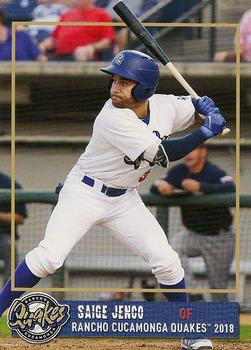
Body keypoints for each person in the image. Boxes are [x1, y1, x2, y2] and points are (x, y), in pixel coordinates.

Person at [0, 50, 227, 349]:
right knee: (50, 257)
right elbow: (165, 154)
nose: (115, 87)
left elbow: (191, 107)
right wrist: (206, 131)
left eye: (125, 82)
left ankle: (188, 331)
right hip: (84, 192)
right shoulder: (112, 117)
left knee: (168, 262)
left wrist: (204, 107)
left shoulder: (165, 106)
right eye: (115, 80)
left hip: (124, 199)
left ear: (145, 88)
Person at [153, 145, 235, 302]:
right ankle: (194, 294)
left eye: (193, 150)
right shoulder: (179, 172)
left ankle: (220, 321)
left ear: (203, 152)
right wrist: (160, 186)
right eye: (187, 150)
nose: (188, 154)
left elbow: (230, 188)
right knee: (172, 250)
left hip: (219, 237)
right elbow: (156, 186)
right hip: (191, 233)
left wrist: (200, 187)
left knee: (218, 288)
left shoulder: (213, 172)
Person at [39, 0, 116, 61]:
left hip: (83, 56)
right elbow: (53, 39)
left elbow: (107, 41)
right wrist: (43, 46)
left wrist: (91, 47)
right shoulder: (66, 14)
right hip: (59, 56)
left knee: (81, 54)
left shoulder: (101, 14)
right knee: (39, 58)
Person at [0, 171, 27, 285]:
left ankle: (7, 297)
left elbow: (20, 218)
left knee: (9, 247)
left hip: (3, 236)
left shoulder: (8, 184)